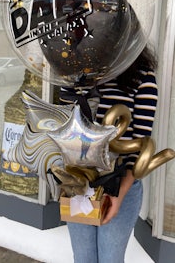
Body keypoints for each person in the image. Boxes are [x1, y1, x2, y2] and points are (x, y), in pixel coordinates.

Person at [59, 44, 158, 263]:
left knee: (110, 259)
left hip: (121, 183)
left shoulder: (142, 76)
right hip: (80, 184)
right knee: (83, 258)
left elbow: (139, 145)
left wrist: (119, 194)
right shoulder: (79, 72)